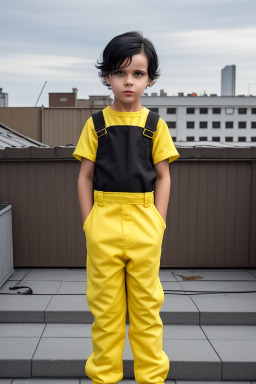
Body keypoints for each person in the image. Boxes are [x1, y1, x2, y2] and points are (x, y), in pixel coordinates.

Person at [72, 31, 180, 384]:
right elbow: (85, 177)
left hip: (145, 221)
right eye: (120, 73)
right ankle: (104, 375)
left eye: (137, 73)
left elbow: (163, 177)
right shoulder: (95, 124)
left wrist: (159, 222)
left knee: (147, 308)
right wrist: (90, 222)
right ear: (107, 76)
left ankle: (152, 377)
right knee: (106, 310)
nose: (128, 81)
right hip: (102, 220)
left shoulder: (155, 125)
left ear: (150, 79)